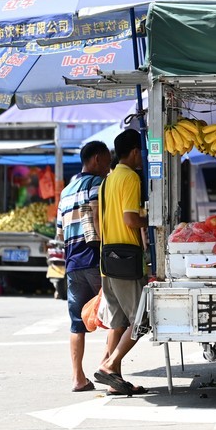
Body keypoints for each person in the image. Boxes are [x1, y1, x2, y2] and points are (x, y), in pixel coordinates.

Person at [93, 130, 148, 396]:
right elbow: (130, 220)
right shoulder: (130, 177)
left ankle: (114, 379)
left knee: (118, 323)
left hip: (107, 259)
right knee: (141, 320)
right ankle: (111, 364)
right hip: (127, 259)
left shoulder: (107, 180)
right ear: (136, 151)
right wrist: (151, 221)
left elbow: (99, 223)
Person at [59, 140, 111, 393]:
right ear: (97, 159)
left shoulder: (66, 191)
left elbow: (60, 232)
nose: (110, 165)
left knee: (76, 322)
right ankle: (109, 369)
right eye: (108, 159)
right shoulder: (99, 184)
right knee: (116, 317)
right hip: (96, 259)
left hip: (72, 262)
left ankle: (77, 377)